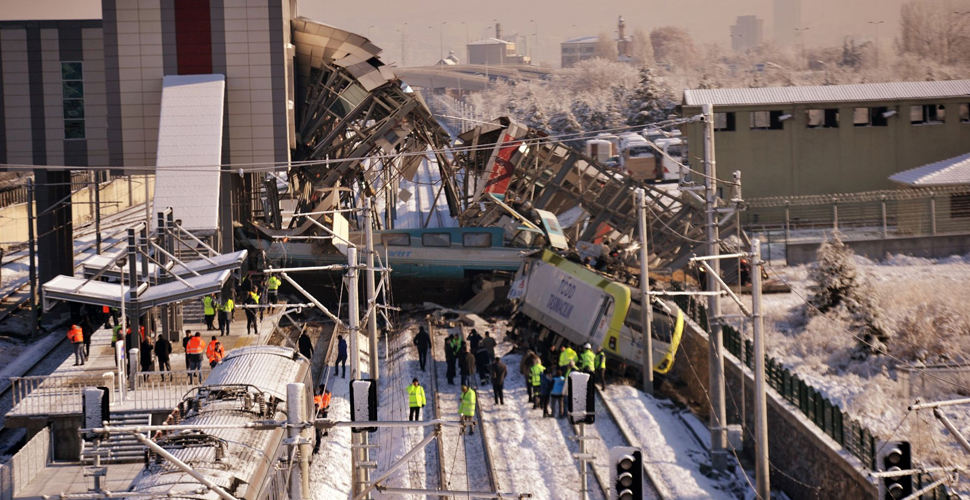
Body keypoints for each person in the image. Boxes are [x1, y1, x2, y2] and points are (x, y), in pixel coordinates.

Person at [313, 385, 332, 453]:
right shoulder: (328, 393)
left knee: (322, 423)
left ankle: (325, 432)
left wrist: (322, 407)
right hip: (324, 409)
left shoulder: (320, 396)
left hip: (322, 410)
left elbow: (321, 401)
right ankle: (325, 432)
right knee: (323, 423)